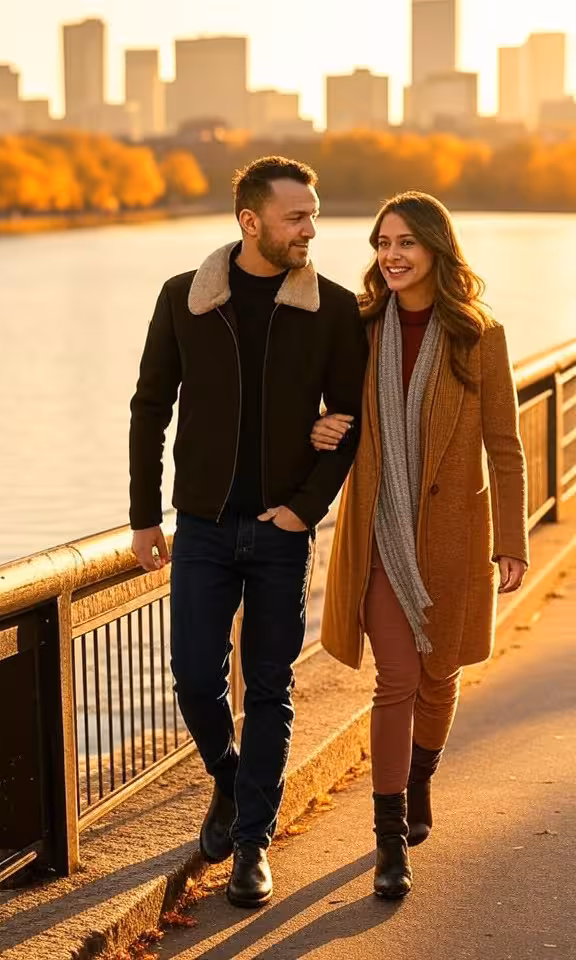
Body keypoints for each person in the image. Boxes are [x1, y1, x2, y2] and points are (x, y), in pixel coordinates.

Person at [129, 156, 368, 907]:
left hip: (279, 532)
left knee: (269, 687)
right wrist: (144, 516)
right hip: (199, 525)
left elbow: (350, 419)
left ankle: (252, 846)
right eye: (297, 216)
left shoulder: (330, 308)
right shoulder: (185, 299)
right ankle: (231, 787)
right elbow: (148, 408)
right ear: (250, 221)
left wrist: (306, 507)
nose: (311, 229)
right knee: (196, 678)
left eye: (314, 215)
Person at [312, 191, 528, 899]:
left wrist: (511, 540)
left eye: (405, 242)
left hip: (453, 536)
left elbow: (506, 446)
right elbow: (327, 410)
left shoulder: (477, 335)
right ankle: (387, 845)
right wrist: (315, 432)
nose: (392, 255)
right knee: (396, 681)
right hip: (379, 534)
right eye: (382, 243)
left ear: (437, 247)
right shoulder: (359, 326)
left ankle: (422, 777)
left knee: (440, 678)